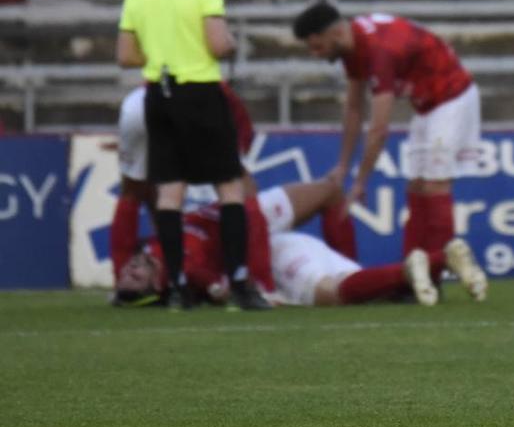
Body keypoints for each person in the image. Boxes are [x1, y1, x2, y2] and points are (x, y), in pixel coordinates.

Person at [116, 0, 268, 310]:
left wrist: (162, 50)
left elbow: (126, 54)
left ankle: (178, 285)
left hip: (157, 94)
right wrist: (230, 44)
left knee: (169, 192)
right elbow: (218, 44)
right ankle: (239, 280)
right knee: (229, 187)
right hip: (199, 90)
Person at [292, 4, 487, 306]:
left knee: (435, 185)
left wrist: (360, 182)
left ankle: (435, 272)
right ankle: (411, 275)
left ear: (334, 32)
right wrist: (343, 167)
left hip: (451, 98)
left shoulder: (378, 51)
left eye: (316, 46)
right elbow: (354, 109)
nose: (315, 54)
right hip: (427, 104)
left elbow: (379, 127)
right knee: (416, 187)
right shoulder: (352, 47)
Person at [111, 82, 357, 283]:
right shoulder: (224, 107)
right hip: (196, 99)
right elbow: (247, 195)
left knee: (134, 192)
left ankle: (119, 281)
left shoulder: (153, 252)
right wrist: (257, 278)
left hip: (141, 100)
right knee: (239, 190)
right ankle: (265, 283)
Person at [114, 179, 425, 307]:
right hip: (246, 225)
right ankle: (360, 285)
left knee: (331, 191)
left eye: (126, 272)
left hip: (235, 213)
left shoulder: (154, 243)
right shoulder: (178, 272)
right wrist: (219, 290)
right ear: (155, 285)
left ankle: (354, 273)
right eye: (134, 278)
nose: (131, 269)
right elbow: (206, 280)